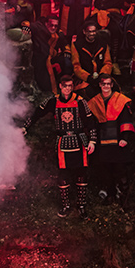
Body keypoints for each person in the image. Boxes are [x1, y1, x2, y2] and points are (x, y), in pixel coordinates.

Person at [44, 77, 93, 216]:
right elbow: (38, 113)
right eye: (65, 86)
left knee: (81, 173)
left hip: (79, 140)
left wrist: (93, 141)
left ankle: (81, 205)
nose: (68, 89)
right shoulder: (53, 101)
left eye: (70, 86)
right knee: (63, 174)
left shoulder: (80, 101)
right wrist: (25, 127)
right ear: (60, 86)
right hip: (62, 142)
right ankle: (65, 205)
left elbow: (90, 121)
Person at [86, 75, 135, 205]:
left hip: (118, 139)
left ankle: (124, 197)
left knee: (120, 168)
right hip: (102, 140)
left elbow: (126, 119)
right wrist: (93, 140)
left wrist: (125, 138)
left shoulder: (120, 100)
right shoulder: (94, 102)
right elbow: (92, 123)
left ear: (112, 85)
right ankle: (110, 193)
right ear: (100, 85)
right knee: (104, 169)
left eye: (108, 84)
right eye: (103, 84)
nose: (106, 86)